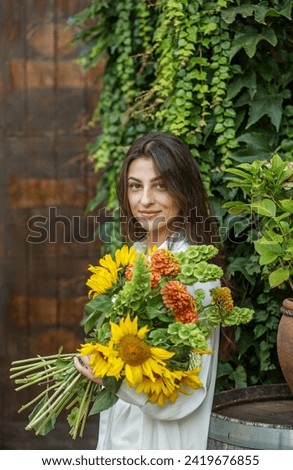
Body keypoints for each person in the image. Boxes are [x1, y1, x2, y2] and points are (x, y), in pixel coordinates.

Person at [74, 131, 222, 450]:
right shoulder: (134, 257)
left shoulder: (194, 275)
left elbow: (185, 392)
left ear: (183, 191)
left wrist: (111, 378)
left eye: (160, 185)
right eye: (135, 186)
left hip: (160, 445)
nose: (144, 201)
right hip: (121, 436)